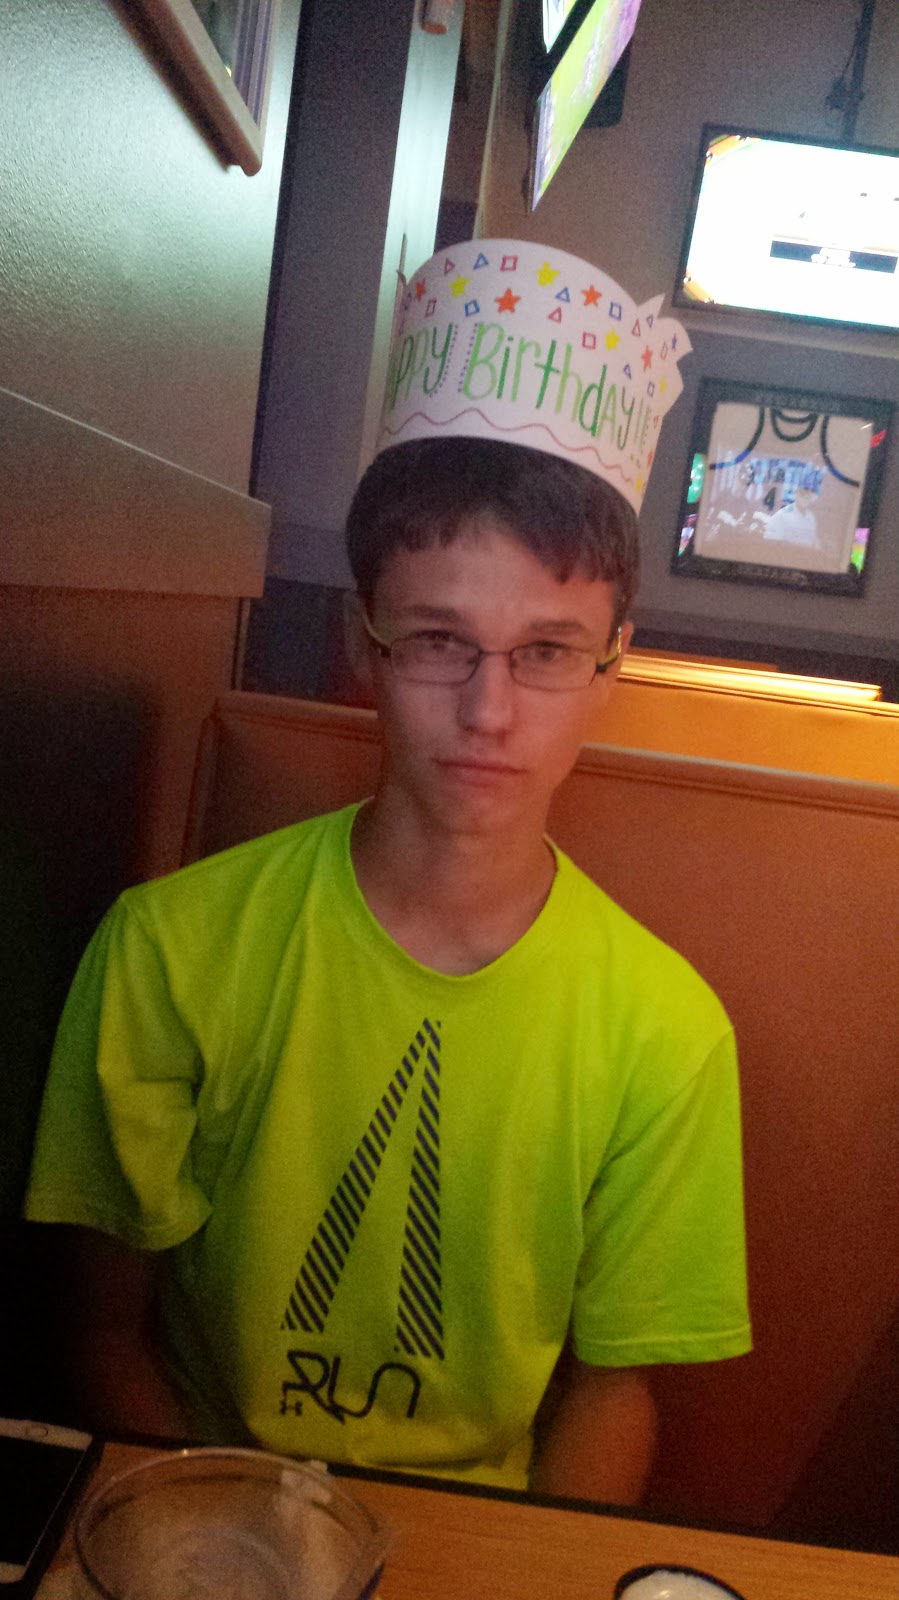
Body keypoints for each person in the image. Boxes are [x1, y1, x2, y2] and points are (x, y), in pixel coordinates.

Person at [25, 242, 751, 1504]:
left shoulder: (666, 1031)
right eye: (435, 640)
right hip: (202, 1511)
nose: (488, 709)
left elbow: (611, 1391)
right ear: (364, 647)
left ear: (609, 670)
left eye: (545, 651)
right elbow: (98, 1331)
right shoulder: (170, 946)